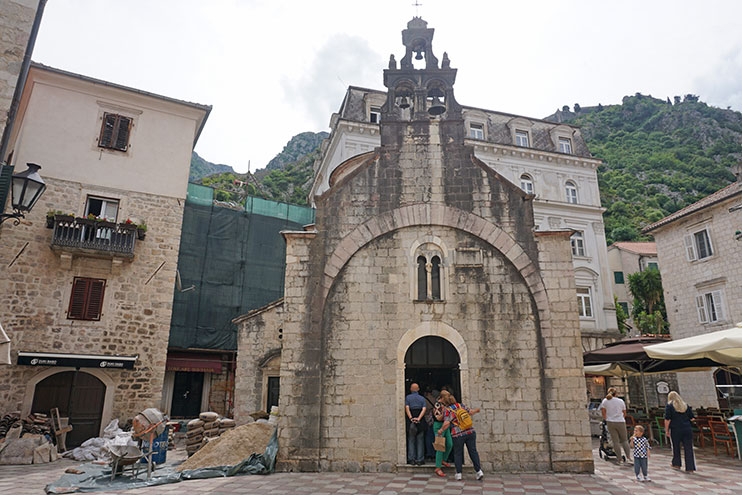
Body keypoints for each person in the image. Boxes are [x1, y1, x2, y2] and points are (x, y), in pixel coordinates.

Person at [438, 393, 483, 481]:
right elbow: (470, 412)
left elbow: (446, 423)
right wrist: (476, 410)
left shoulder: (448, 410)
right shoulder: (461, 405)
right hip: (470, 431)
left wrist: (441, 430)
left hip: (458, 434)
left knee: (458, 453)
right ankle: (479, 471)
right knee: (473, 451)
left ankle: (459, 474)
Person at [664, 391, 696, 472]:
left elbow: (667, 419)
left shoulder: (670, 406)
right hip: (687, 428)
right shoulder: (685, 406)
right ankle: (690, 467)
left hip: (676, 429)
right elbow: (692, 418)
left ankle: (676, 464)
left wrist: (666, 430)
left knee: (676, 447)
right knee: (688, 448)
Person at [600, 387, 631, 464]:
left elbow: (603, 412)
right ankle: (628, 457)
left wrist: (606, 419)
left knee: (615, 441)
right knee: (624, 440)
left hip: (610, 422)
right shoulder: (620, 401)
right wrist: (621, 418)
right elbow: (624, 412)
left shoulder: (605, 401)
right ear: (616, 393)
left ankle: (619, 458)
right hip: (620, 421)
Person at [405, 383, 427, 465]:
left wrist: (411, 418)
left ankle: (411, 459)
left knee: (411, 440)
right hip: (420, 419)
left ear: (411, 389)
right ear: (418, 389)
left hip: (411, 419)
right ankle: (420, 459)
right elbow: (424, 409)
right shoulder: (422, 398)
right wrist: (418, 418)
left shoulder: (408, 398)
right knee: (420, 440)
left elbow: (407, 408)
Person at [432, 390, 453, 477]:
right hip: (439, 426)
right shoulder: (437, 405)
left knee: (449, 444)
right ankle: (438, 468)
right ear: (443, 398)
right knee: (440, 447)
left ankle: (443, 459)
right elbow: (438, 418)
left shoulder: (446, 405)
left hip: (446, 425)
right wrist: (445, 412)